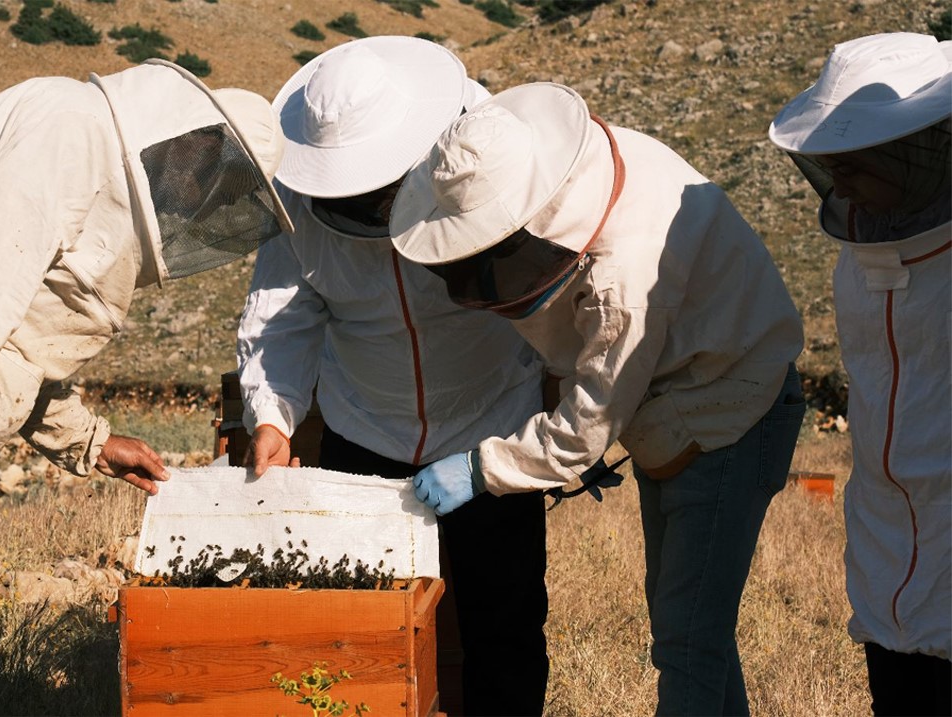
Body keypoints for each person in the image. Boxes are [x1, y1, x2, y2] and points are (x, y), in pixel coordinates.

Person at [0, 59, 292, 717]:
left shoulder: (83, 151)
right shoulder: (71, 135)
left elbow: (11, 341)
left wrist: (91, 440)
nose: (212, 205)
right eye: (223, 184)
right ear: (199, 141)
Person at [390, 83, 806, 716]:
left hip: (729, 408)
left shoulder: (624, 274)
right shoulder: (570, 179)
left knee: (686, 637)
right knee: (694, 629)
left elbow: (589, 423)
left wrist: (482, 467)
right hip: (679, 394)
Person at [236, 37, 550, 715]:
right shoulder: (297, 198)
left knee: (504, 627)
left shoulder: (481, 141)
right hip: (366, 434)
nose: (372, 204)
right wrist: (271, 416)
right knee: (365, 635)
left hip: (489, 428)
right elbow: (280, 318)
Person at [768, 32, 951, 717]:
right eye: (830, 167)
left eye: (857, 165)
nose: (840, 185)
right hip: (883, 539)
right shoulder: (860, 254)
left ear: (924, 150)